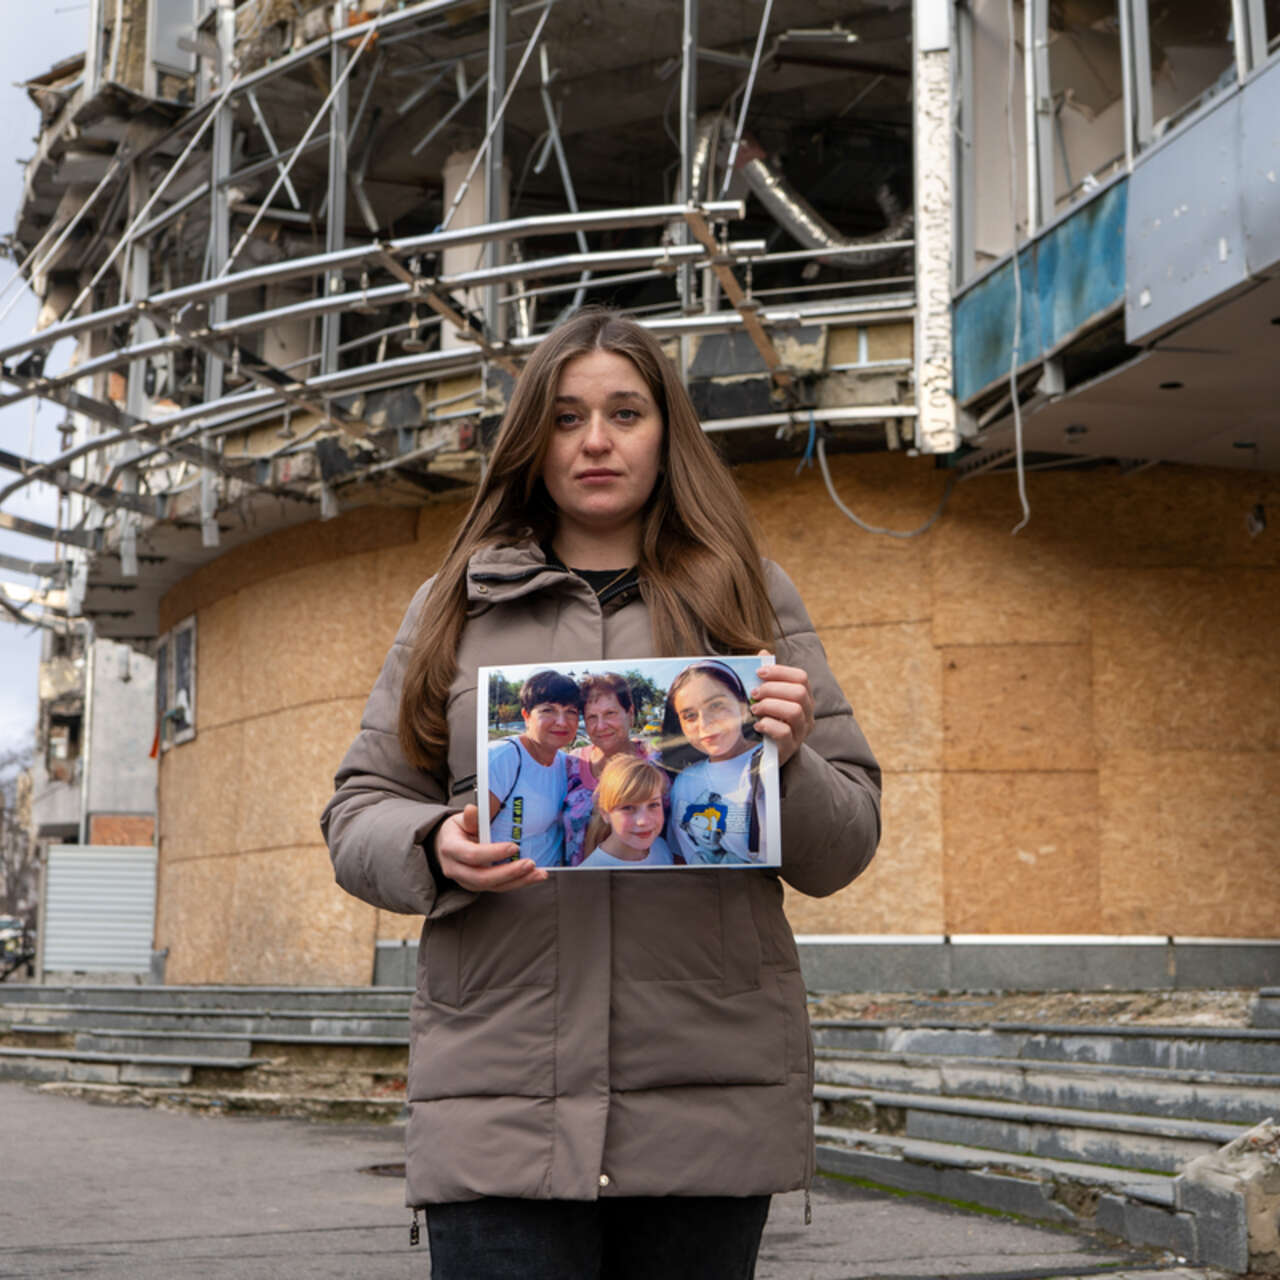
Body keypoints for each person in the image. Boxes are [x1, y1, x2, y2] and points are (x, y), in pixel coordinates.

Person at [321, 308, 881, 1280]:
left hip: (705, 1097)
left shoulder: (749, 597)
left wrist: (785, 761)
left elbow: (846, 843)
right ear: (531, 441)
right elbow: (357, 809)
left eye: (624, 413)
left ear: (666, 434)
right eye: (566, 416)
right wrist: (431, 844)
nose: (594, 441)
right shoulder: (452, 605)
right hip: (498, 1098)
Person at [663, 661, 766, 866]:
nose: (704, 723)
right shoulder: (683, 782)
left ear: (743, 708)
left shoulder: (770, 763)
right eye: (689, 716)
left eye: (716, 706)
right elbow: (680, 855)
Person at [487, 669, 580, 867]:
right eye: (548, 710)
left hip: (553, 880)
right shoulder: (501, 758)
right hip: (507, 880)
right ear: (526, 716)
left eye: (571, 712)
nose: (561, 722)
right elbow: (471, 835)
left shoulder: (567, 764)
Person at [563, 671, 653, 865]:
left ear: (630, 714)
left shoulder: (655, 764)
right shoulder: (571, 764)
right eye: (592, 717)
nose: (601, 726)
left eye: (610, 713)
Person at [577, 755, 675, 869]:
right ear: (605, 813)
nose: (643, 821)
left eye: (653, 805)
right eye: (628, 808)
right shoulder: (592, 873)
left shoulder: (661, 848)